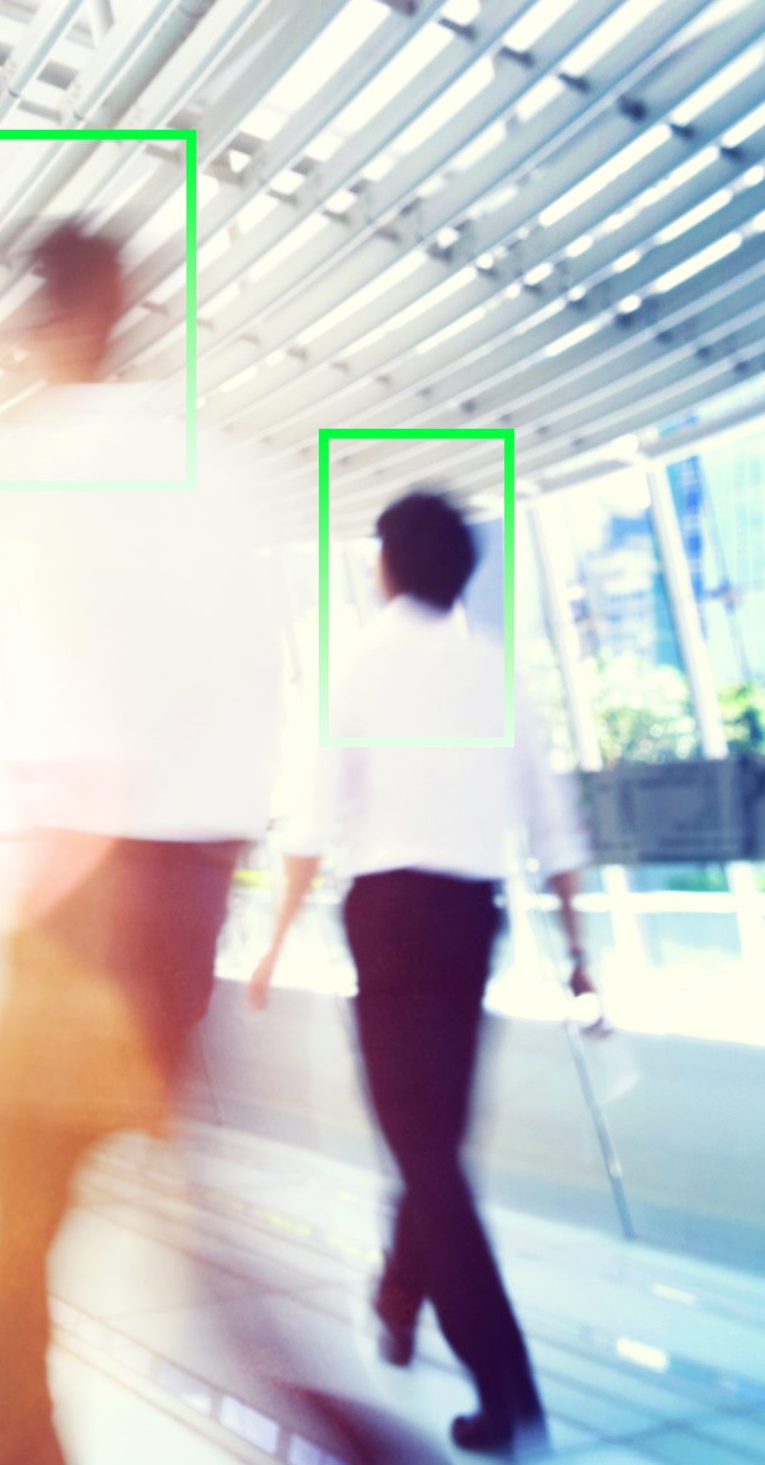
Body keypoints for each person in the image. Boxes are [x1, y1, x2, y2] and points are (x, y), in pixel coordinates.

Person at [0, 221, 426, 1465]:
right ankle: (336, 1426)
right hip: (188, 889)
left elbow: (66, 714)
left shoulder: (28, 465)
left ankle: (13, 1448)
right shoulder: (217, 469)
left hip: (85, 893)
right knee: (192, 1216)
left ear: (54, 320)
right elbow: (249, 698)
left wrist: (32, 899)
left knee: (18, 1210)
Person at [251, 488, 593, 1458]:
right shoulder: (498, 674)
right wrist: (580, 953)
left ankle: (505, 1384)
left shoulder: (350, 664)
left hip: (391, 920)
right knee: (432, 1136)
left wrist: (273, 940)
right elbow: (553, 822)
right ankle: (398, 1298)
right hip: (469, 919)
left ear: (388, 564)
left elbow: (314, 820)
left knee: (425, 1150)